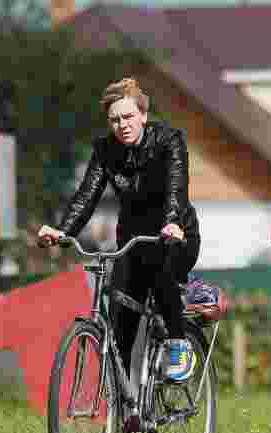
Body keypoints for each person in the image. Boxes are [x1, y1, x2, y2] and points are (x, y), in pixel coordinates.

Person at [38, 77, 201, 384]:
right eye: (114, 119)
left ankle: (178, 343)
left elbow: (177, 187)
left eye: (128, 117)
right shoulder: (104, 150)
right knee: (121, 324)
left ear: (143, 115)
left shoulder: (169, 140)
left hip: (176, 235)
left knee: (160, 267)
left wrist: (172, 222)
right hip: (132, 242)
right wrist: (62, 231)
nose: (122, 124)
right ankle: (124, 413)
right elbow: (87, 195)